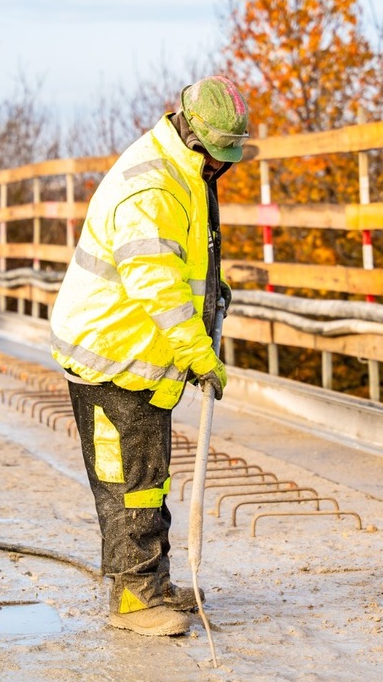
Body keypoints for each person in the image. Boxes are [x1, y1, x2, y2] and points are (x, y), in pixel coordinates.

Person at [49, 75, 246, 637]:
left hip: (142, 352)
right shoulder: (153, 186)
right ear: (189, 130)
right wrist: (200, 353)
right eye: (214, 153)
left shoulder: (184, 169)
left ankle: (153, 583)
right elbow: (155, 286)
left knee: (150, 477)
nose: (219, 165)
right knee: (128, 480)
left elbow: (182, 257)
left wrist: (212, 290)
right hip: (112, 353)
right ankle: (133, 598)